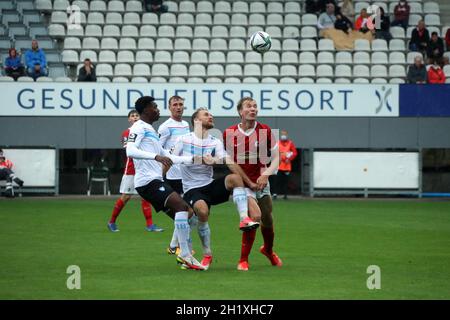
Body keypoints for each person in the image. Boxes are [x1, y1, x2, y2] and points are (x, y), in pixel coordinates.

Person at [172, 108, 260, 270]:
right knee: (202, 212)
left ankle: (244, 218)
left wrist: (215, 161)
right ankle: (207, 254)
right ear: (196, 121)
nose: (211, 116)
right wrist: (191, 160)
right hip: (192, 189)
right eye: (206, 114)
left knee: (235, 178)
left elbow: (228, 161)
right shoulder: (183, 140)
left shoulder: (215, 141)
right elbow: (170, 158)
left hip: (210, 185)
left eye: (211, 114)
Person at [126, 96, 206, 270]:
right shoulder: (138, 127)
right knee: (182, 208)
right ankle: (185, 255)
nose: (157, 110)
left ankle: (179, 251)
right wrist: (156, 157)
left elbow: (167, 155)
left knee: (188, 212)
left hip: (154, 181)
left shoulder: (150, 130)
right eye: (154, 107)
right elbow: (130, 150)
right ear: (146, 110)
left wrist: (193, 159)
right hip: (147, 182)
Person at [224, 97, 283, 271]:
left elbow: (276, 157)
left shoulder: (265, 130)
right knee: (255, 217)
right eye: (249, 106)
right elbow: (229, 162)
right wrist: (246, 182)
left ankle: (268, 250)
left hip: (261, 181)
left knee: (267, 217)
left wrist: (265, 174)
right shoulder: (229, 133)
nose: (253, 109)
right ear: (240, 111)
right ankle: (243, 260)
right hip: (243, 183)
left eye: (255, 106)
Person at [108, 110, 163, 233]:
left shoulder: (145, 130)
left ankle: (150, 225)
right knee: (126, 197)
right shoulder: (127, 132)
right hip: (132, 169)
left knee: (146, 197)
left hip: (144, 169)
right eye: (132, 116)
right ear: (129, 119)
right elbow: (131, 149)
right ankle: (111, 221)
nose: (135, 117)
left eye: (137, 115)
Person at [157, 96, 191, 255]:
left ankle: (173, 246)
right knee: (185, 212)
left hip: (185, 173)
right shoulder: (165, 127)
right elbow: (157, 149)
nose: (178, 107)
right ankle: (179, 247)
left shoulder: (185, 124)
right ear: (169, 107)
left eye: (181, 104)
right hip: (172, 175)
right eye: (175, 105)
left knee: (187, 213)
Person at [273, 131, 298, 201]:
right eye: (282, 135)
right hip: (279, 165)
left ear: (287, 135)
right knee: (277, 181)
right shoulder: (277, 143)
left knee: (286, 181)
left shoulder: (290, 143)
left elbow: (295, 153)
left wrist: (289, 159)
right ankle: (275, 194)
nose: (283, 136)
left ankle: (285, 195)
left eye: (285, 135)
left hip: (287, 166)